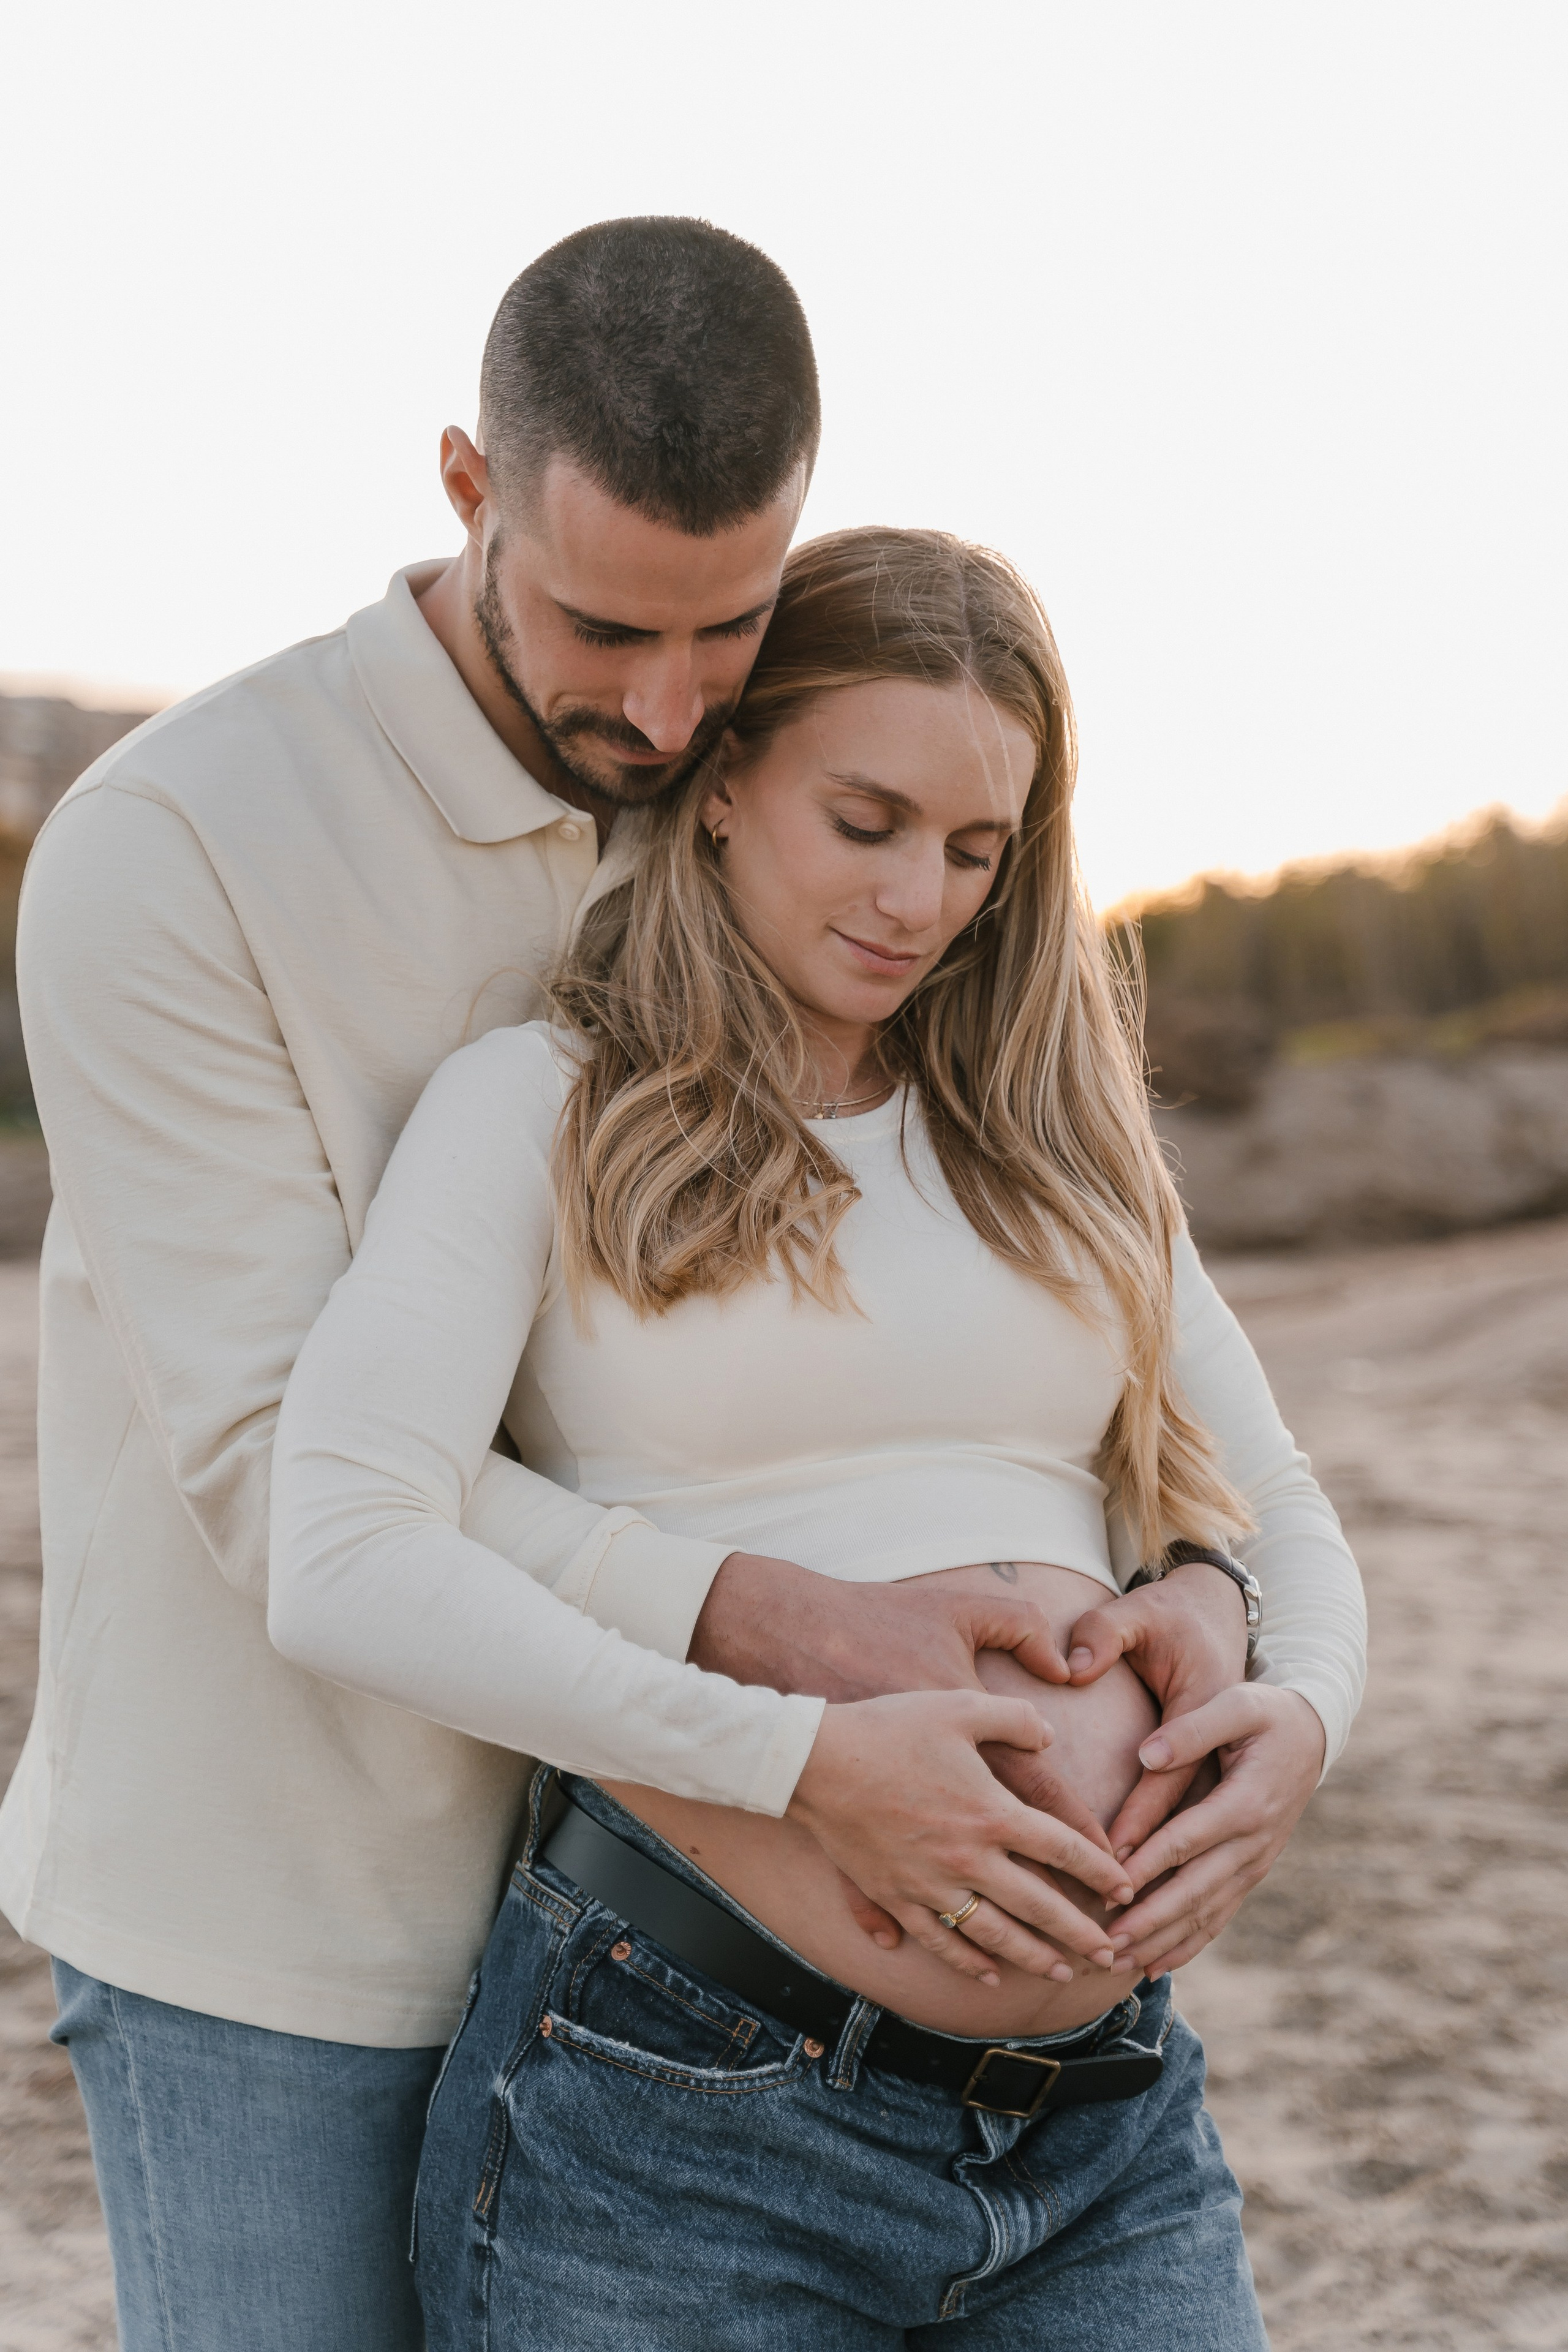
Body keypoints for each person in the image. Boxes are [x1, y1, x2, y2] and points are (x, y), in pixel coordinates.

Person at [0, 217, 1329, 2351]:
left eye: (727, 635)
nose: (661, 703)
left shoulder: (750, 777)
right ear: (467, 488)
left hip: (668, 1915)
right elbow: (285, 1485)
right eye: (605, 624)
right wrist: (797, 1674)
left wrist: (1201, 1597)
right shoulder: (183, 850)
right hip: (297, 1901)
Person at [270, 526, 1367, 2346]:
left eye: (974, 849)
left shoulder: (1057, 1143)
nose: (921, 899)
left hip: (1103, 2132)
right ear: (718, 783)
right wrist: (801, 1764)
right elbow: (344, 1558)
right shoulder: (539, 1109)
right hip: (679, 2123)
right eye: (865, 824)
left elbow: (1281, 1501)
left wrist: (1296, 1704)